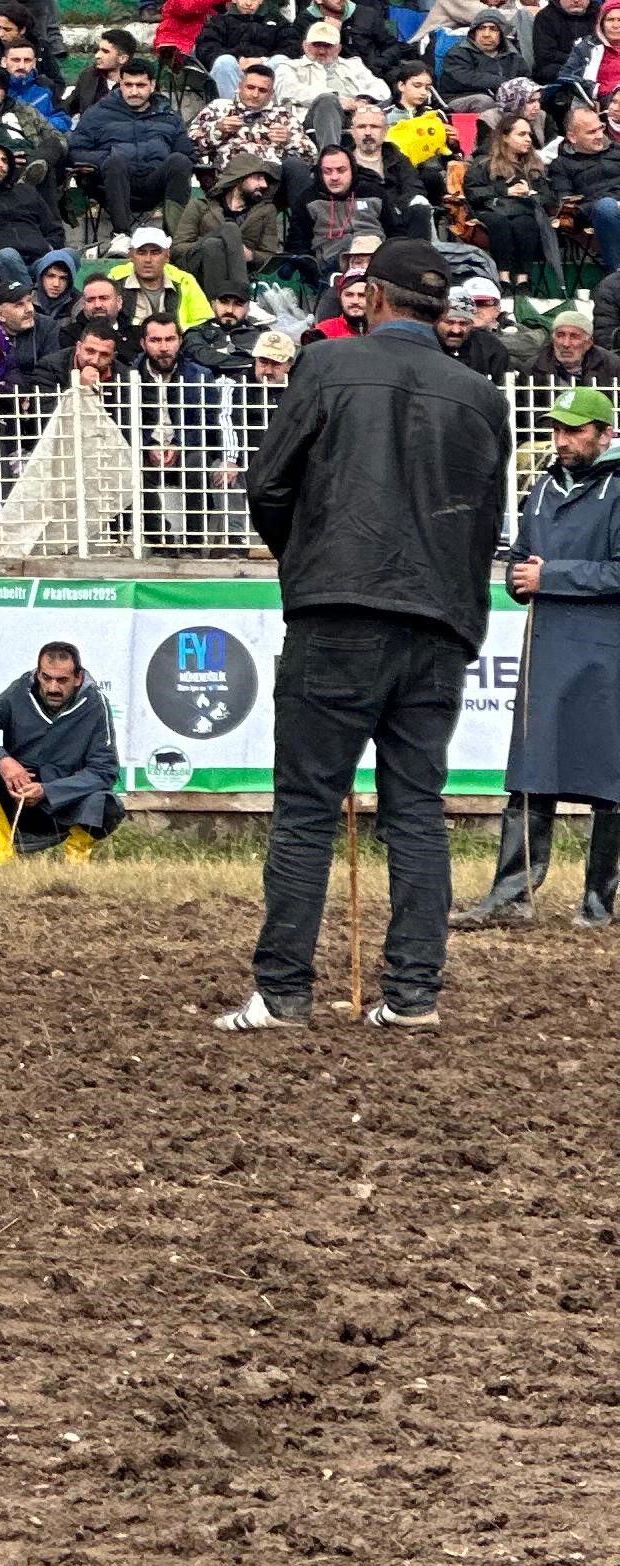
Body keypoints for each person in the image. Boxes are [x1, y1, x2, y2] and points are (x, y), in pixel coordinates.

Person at [220, 240, 514, 1032]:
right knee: (416, 809)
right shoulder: (484, 397)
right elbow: (485, 526)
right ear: (439, 308)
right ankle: (413, 997)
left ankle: (283, 994)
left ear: (373, 298)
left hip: (339, 608)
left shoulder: (325, 366)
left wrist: (306, 555)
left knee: (308, 807)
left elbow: (268, 483)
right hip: (439, 620)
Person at [467, 383, 620, 926]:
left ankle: (598, 904)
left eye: (576, 430)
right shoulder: (543, 487)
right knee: (531, 770)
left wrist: (549, 576)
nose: (562, 439)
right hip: (548, 646)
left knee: (610, 778)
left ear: (606, 434)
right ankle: (511, 897)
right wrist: (517, 577)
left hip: (607, 653)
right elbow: (518, 555)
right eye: (557, 429)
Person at [0, 638, 120, 864]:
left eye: (62, 680)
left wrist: (48, 790)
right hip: (15, 796)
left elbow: (104, 771)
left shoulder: (95, 704)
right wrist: (4, 761)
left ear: (78, 678)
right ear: (38, 674)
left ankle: (75, 860)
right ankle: (3, 851)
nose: (53, 688)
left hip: (62, 804)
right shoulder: (19, 692)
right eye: (46, 678)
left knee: (107, 802)